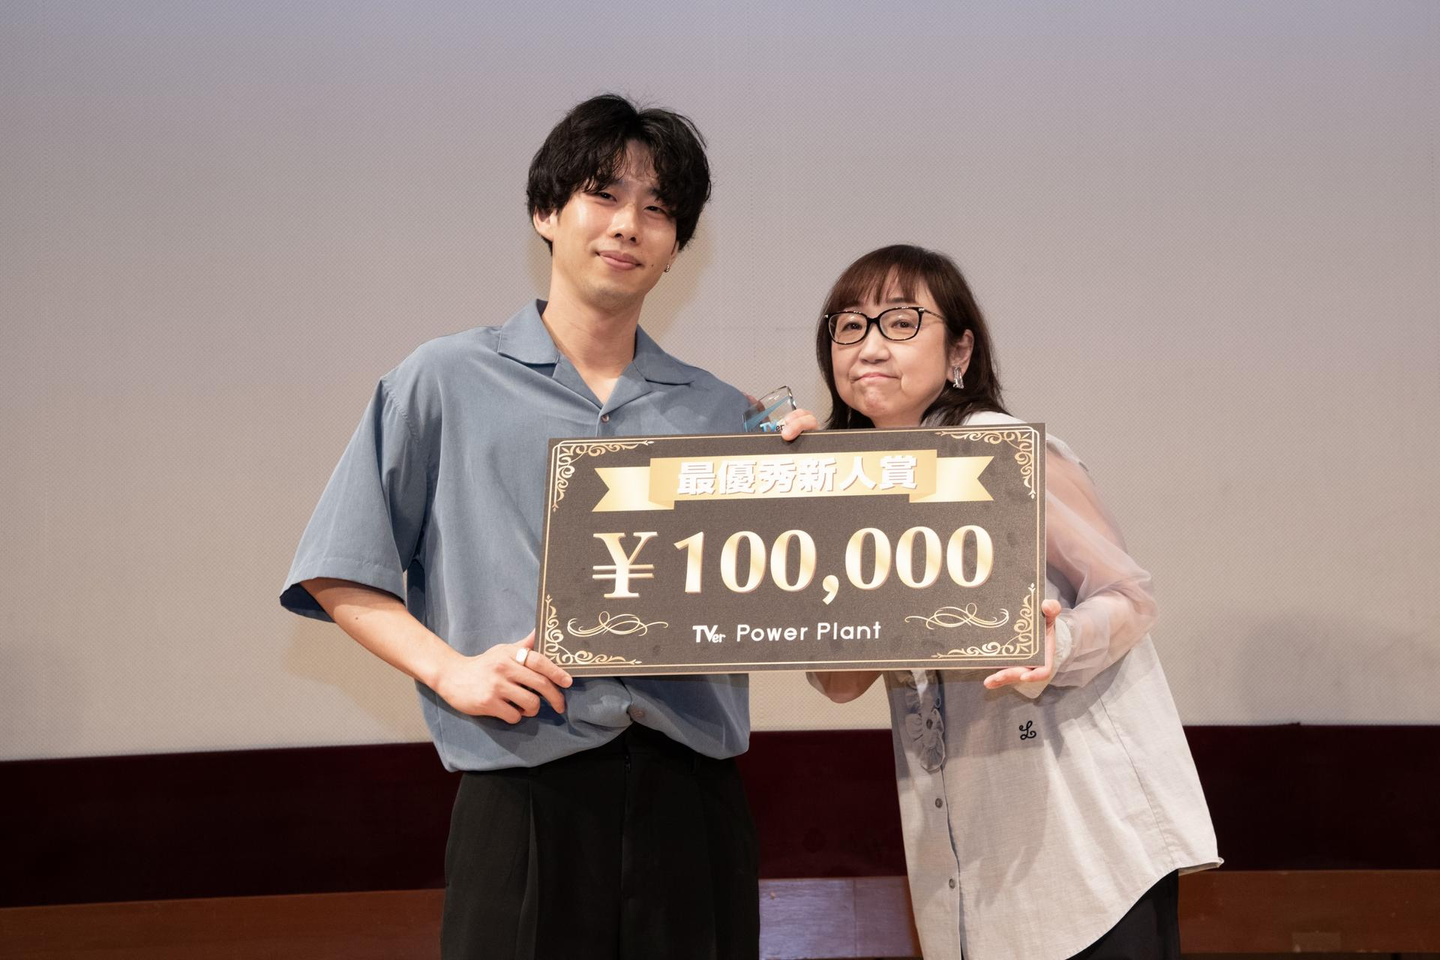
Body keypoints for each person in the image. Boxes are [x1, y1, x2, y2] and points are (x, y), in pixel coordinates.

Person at [280, 94, 814, 960]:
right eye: (604, 194)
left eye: (658, 209)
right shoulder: (443, 380)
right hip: (521, 794)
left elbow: (800, 593)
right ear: (546, 211)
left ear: (676, 246)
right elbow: (338, 567)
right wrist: (450, 670)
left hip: (694, 806)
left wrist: (817, 478)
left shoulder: (722, 412)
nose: (628, 224)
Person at [807, 245, 1219, 960]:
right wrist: (787, 486)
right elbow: (840, 682)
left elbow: (1129, 595)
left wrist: (1056, 646)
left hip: (1089, 848)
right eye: (849, 326)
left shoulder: (1000, 453)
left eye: (900, 322)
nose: (869, 346)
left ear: (959, 351)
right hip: (971, 853)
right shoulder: (850, 483)